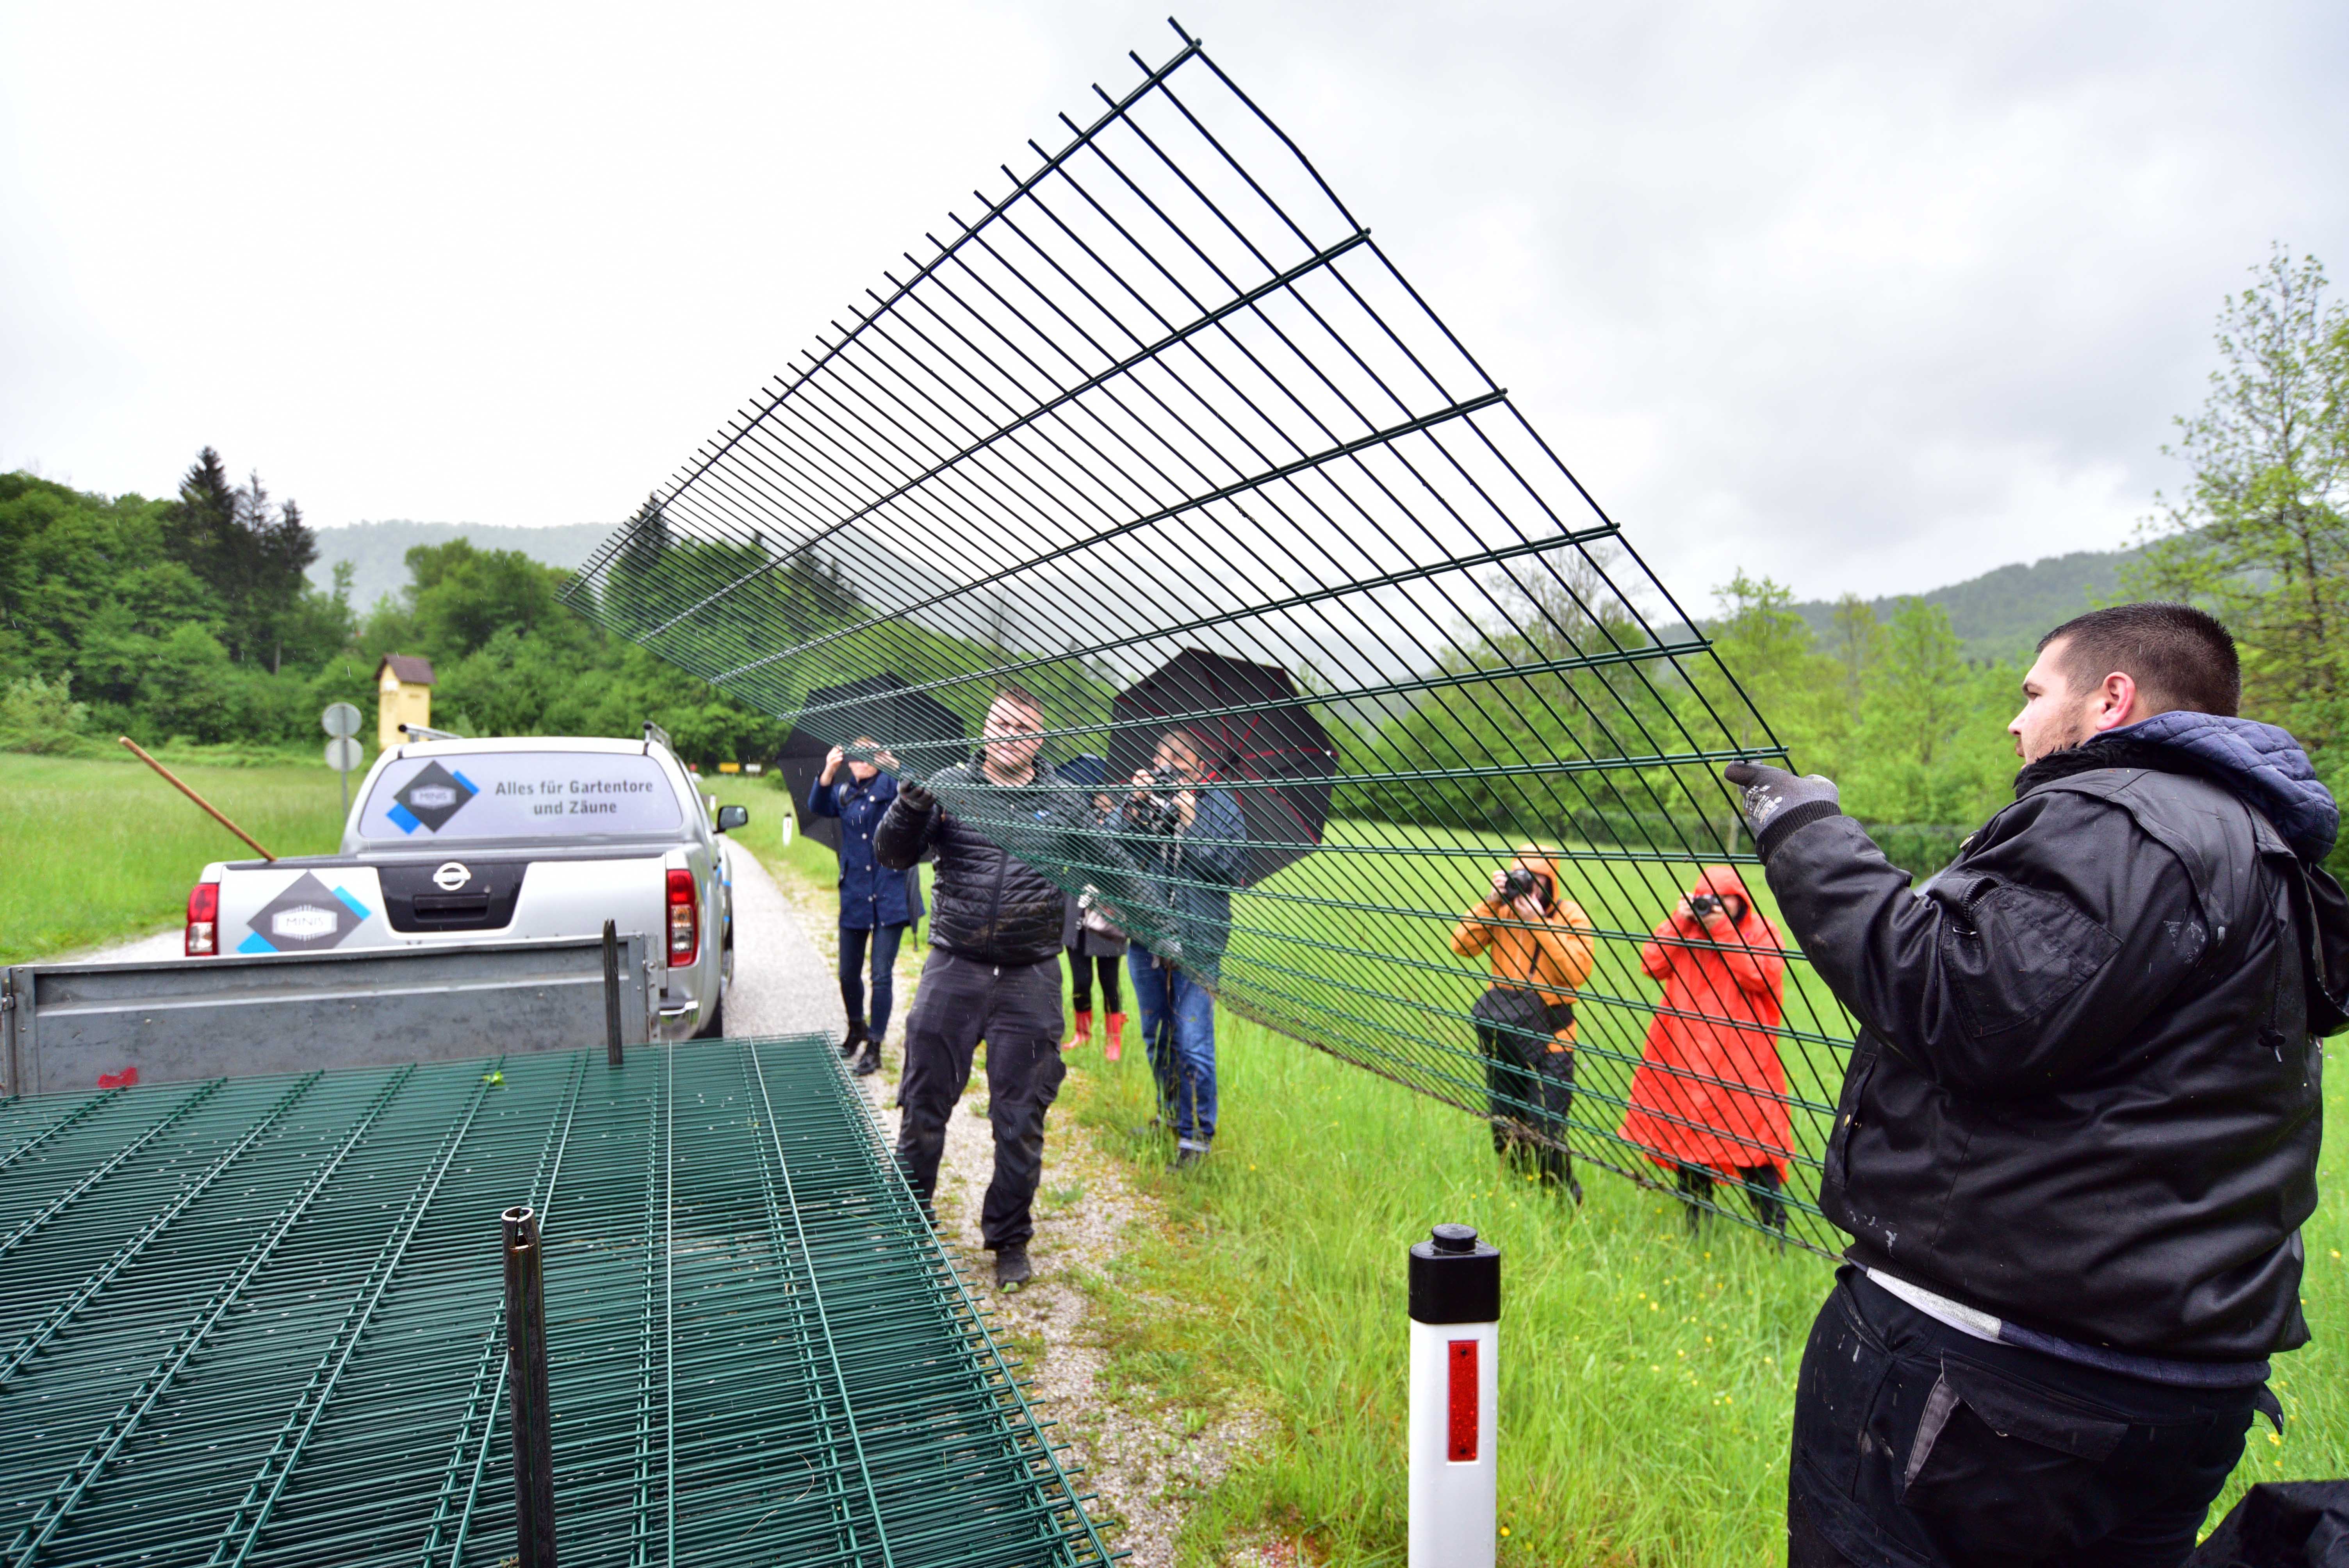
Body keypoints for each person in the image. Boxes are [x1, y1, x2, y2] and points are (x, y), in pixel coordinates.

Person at [1725, 604, 2347, 1568]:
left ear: (2111, 697)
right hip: (2177, 1386)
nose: (2015, 723)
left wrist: (1805, 829)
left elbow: (1959, 1000)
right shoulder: (2261, 851)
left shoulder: (2122, 817)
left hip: (2001, 1380)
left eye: (2031, 693)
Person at [874, 687, 1091, 1290]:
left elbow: (1113, 868)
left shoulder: (1068, 804)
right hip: (955, 967)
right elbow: (893, 856)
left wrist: (1166, 927)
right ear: (986, 725)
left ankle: (1009, 1241)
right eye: (1000, 721)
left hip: (1031, 977)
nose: (1009, 734)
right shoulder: (950, 784)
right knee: (923, 1105)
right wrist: (910, 808)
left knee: (1020, 1119)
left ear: (1039, 739)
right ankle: (906, 1221)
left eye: (1023, 726)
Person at [1615, 866, 1791, 1238]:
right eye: (1707, 899)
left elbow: (1761, 975)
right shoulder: (1686, 930)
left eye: (1723, 898)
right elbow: (1651, 964)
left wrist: (1721, 929)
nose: (1716, 906)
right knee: (1689, 1147)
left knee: (1754, 1149)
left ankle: (1774, 1236)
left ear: (1740, 899)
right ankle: (1697, 1231)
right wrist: (1679, 922)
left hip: (1743, 1063)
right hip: (1685, 1057)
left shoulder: (1762, 930)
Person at [1119, 728, 1248, 1169]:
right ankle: (1171, 1116)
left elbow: (1229, 865)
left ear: (1200, 764)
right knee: (1157, 1036)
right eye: (1162, 755)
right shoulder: (1152, 798)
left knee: (1192, 1041)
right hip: (1147, 936)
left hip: (1199, 942)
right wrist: (1132, 806)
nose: (1168, 764)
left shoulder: (1221, 802)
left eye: (1180, 756)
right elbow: (1117, 850)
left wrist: (1192, 823)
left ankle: (1197, 1139)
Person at [1448, 846, 1596, 1200]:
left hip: (1552, 1042)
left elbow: (1576, 973)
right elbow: (1461, 945)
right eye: (1518, 878)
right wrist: (1492, 902)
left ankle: (1564, 1200)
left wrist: (1538, 923)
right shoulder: (1501, 910)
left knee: (1547, 1131)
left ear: (1550, 882)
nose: (1525, 886)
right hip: (1506, 1037)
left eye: (1533, 879)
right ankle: (1518, 1193)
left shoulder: (1570, 915)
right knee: (1504, 1127)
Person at [808, 736, 920, 1076]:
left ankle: (875, 1045)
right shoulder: (844, 794)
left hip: (890, 893)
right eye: (856, 756)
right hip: (855, 893)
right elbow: (818, 805)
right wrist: (828, 770)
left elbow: (920, 793)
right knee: (847, 973)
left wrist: (895, 766)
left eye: (871, 755)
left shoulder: (894, 788)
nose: (863, 762)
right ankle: (856, 1027)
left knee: (882, 976)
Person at [1053, 755, 1130, 1059]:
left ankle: (1114, 1040)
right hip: (1076, 911)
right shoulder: (1075, 824)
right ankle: (1082, 1034)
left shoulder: (1122, 828)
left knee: (1109, 981)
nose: (1102, 806)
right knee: (1081, 980)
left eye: (1108, 803)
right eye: (1097, 801)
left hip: (1109, 913)